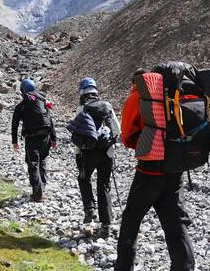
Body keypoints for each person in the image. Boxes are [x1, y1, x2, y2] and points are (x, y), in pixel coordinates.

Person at [115, 69, 195, 271]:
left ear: (137, 82)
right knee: (175, 224)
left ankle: (123, 268)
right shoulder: (173, 97)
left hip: (149, 171)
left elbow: (126, 136)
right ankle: (185, 267)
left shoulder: (138, 97)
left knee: (131, 222)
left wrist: (143, 145)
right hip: (175, 168)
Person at [67, 78, 120, 237]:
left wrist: (78, 152)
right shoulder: (107, 106)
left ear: (82, 93)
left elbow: (78, 135)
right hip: (106, 153)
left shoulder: (82, 109)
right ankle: (106, 225)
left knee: (84, 178)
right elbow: (117, 130)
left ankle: (89, 209)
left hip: (88, 153)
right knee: (103, 185)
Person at [12, 79, 57, 202]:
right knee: (42, 161)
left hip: (32, 138)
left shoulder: (21, 106)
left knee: (33, 163)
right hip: (46, 136)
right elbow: (50, 120)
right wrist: (54, 138)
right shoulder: (42, 101)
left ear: (23, 91)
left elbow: (14, 125)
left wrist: (14, 141)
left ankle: (37, 195)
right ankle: (41, 189)